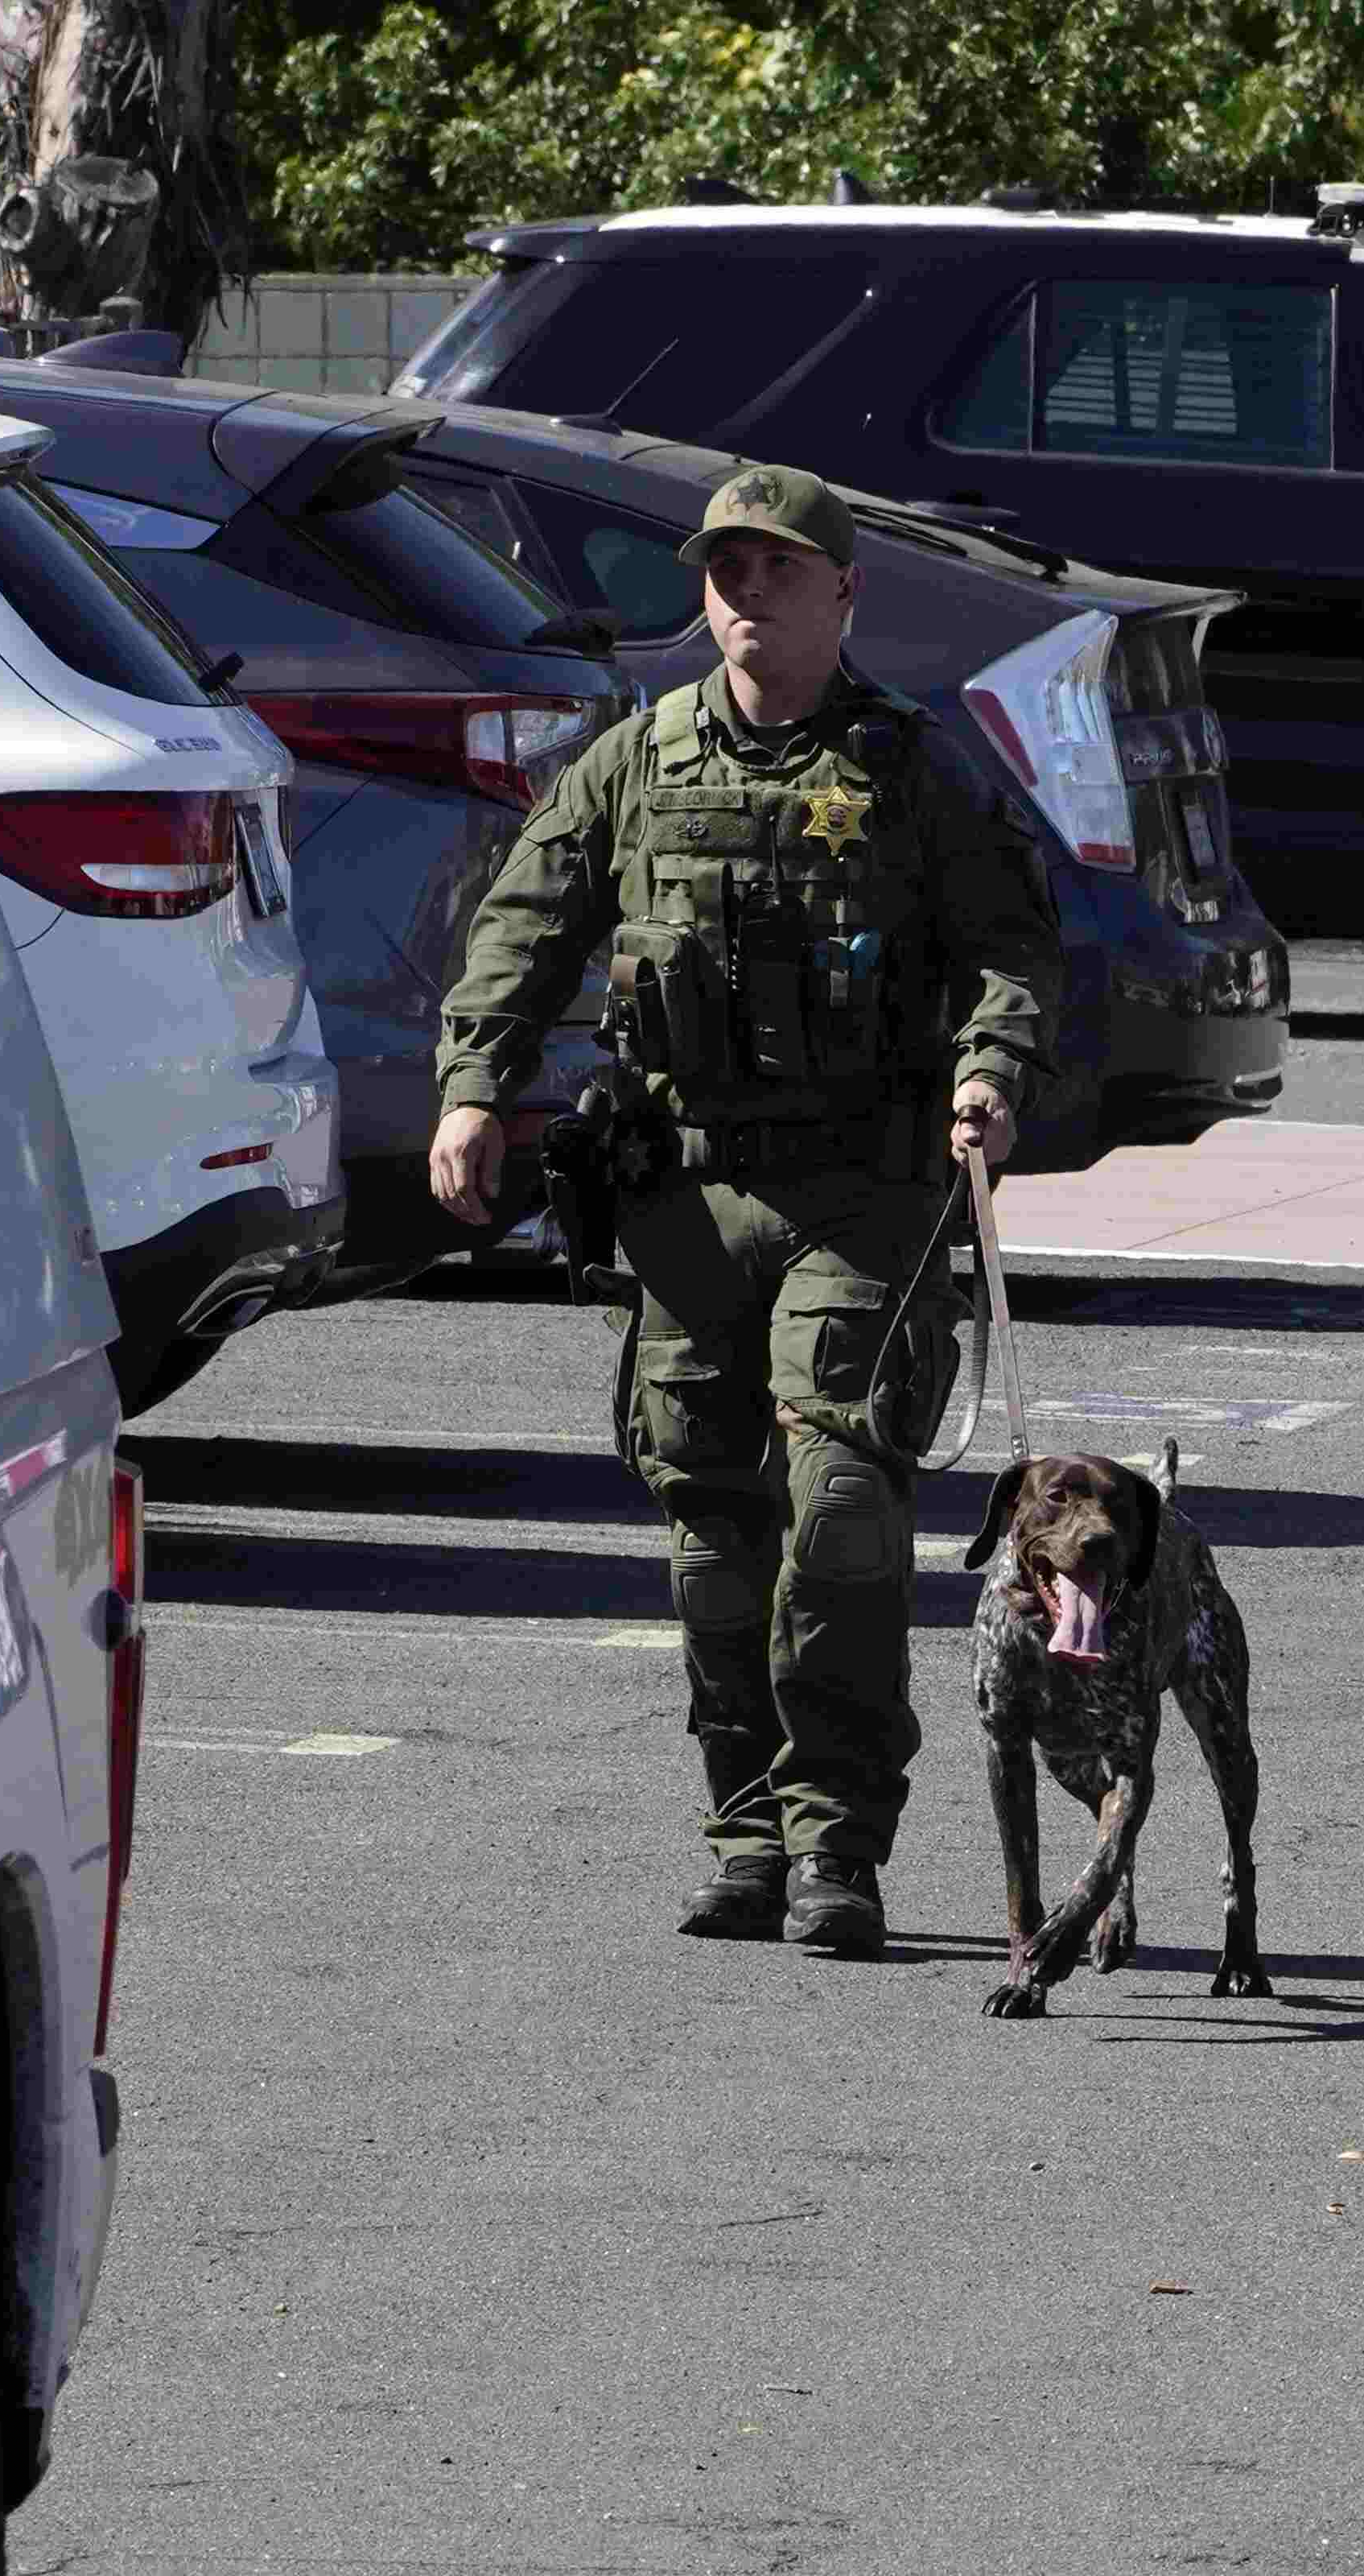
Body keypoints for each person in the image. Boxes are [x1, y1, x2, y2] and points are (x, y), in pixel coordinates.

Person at [429, 463, 1060, 1958]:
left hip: (863, 1186)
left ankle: (841, 1841)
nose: (746, 594)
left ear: (845, 593)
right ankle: (749, 1832)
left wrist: (990, 1075)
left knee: (840, 1505)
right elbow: (528, 918)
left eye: (779, 569)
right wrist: (473, 1084)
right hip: (687, 1196)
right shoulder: (636, 759)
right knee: (712, 1529)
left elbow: (1007, 949)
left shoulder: (910, 768)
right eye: (726, 569)